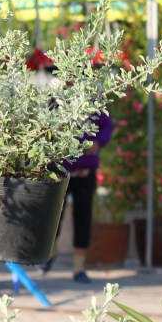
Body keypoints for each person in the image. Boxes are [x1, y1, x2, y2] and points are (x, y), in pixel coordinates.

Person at [43, 111, 114, 283]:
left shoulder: (92, 102)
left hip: (85, 171)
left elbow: (107, 125)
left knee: (82, 218)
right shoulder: (56, 101)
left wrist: (98, 142)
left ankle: (78, 268)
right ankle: (49, 253)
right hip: (59, 169)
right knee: (53, 216)